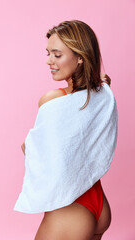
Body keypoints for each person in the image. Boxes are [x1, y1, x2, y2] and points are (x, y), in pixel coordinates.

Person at [21, 20, 113, 240]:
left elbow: (38, 153)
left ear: (80, 57)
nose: (49, 61)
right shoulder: (102, 94)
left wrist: (26, 146)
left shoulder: (54, 100)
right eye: (48, 53)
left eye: (57, 55)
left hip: (70, 207)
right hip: (98, 203)